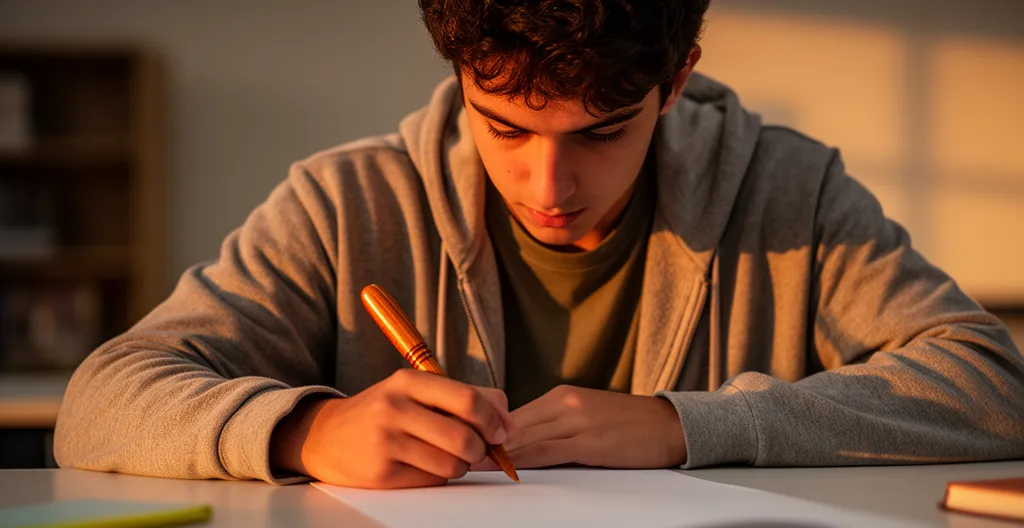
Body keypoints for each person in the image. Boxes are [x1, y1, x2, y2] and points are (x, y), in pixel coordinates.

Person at [54, 0, 1024, 489]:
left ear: (677, 77)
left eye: (603, 133)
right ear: (460, 74)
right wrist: (307, 431)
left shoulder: (790, 188)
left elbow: (990, 384)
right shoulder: (347, 201)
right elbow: (100, 401)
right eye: (505, 128)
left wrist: (683, 426)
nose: (548, 188)